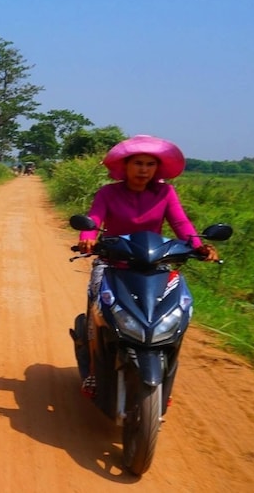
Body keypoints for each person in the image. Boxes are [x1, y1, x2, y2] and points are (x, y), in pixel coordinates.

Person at [73, 134, 219, 397]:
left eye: (150, 164)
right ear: (126, 167)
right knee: (98, 306)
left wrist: (199, 246)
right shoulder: (108, 192)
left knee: (176, 309)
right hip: (113, 262)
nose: (143, 169)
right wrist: (87, 239)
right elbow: (93, 219)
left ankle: (166, 368)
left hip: (155, 264)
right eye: (138, 163)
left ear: (157, 169)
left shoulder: (165, 192)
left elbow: (181, 223)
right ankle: (94, 370)